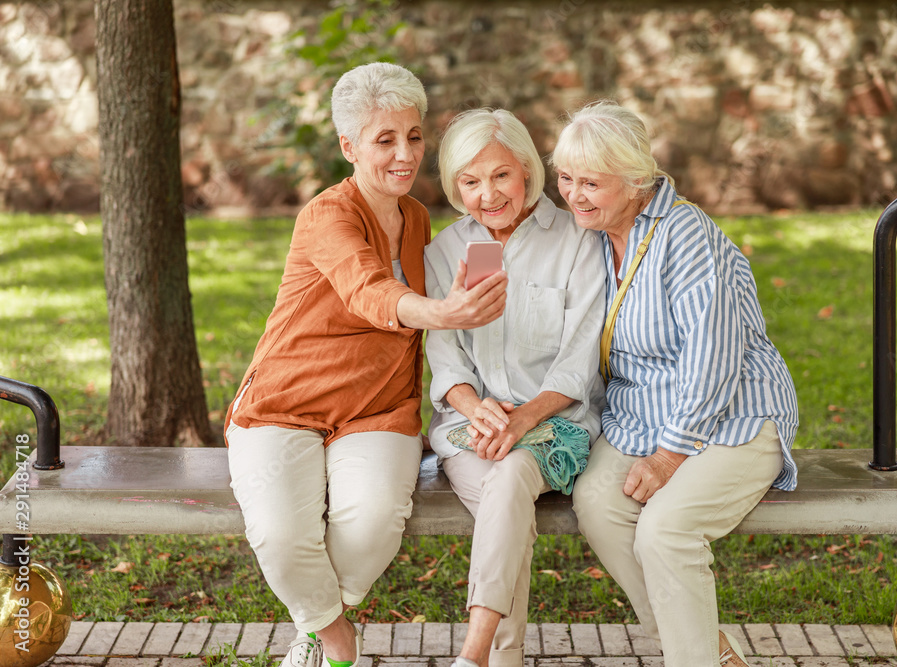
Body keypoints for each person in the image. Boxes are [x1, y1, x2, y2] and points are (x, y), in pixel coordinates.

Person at [224, 63, 508, 667]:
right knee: (280, 532)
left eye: (414, 136)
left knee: (376, 521)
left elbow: (477, 261)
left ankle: (318, 622)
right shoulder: (326, 215)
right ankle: (332, 637)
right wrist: (440, 312)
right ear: (349, 147)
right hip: (285, 401)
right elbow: (366, 290)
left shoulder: (417, 217)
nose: (405, 154)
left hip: (378, 408)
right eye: (385, 140)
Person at [552, 102, 799, 667]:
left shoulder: (685, 234)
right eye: (565, 178)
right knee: (597, 503)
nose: (574, 196)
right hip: (641, 415)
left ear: (636, 180)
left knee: (666, 531)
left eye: (591, 183)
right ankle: (711, 652)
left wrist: (669, 456)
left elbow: (713, 357)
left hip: (733, 412)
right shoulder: (597, 233)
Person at [424, 108, 606, 667]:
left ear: (526, 168)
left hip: (553, 424)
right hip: (473, 427)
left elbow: (578, 361)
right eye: (470, 182)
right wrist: (476, 408)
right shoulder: (445, 251)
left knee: (507, 485)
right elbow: (445, 357)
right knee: (506, 506)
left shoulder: (577, 241)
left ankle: (476, 654)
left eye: (501, 175)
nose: (488, 195)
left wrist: (522, 419)